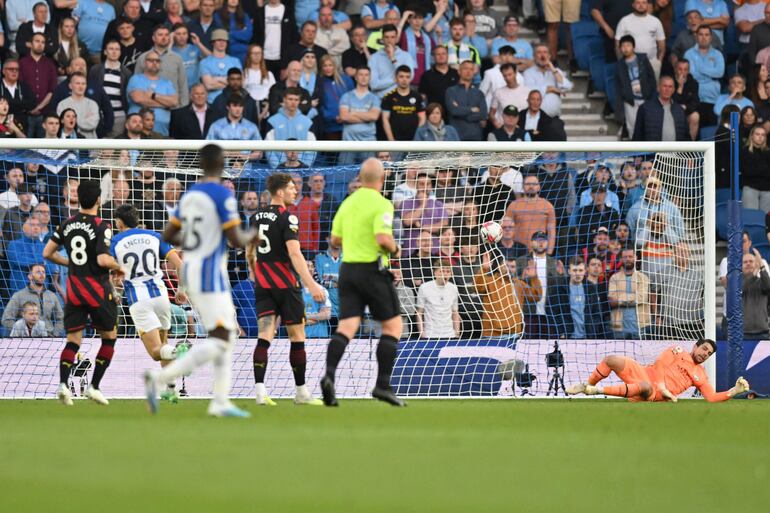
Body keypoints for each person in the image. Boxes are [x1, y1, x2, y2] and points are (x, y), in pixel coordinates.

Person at [144, 144, 259, 418]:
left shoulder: (189, 196)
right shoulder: (222, 194)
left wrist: (196, 240)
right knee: (224, 336)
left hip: (192, 270)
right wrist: (252, 235)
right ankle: (160, 379)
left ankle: (220, 400)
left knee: (224, 334)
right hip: (210, 272)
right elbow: (234, 240)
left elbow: (169, 235)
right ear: (221, 165)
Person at [320, 158, 405, 407]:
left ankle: (329, 376)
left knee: (346, 327)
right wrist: (396, 249)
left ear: (361, 177)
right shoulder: (382, 203)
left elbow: (334, 240)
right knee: (392, 328)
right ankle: (382, 385)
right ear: (382, 179)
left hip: (348, 270)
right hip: (373, 270)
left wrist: (354, 242)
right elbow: (382, 238)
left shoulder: (348, 203)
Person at [243, 172, 325, 406]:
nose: (295, 191)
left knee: (264, 337)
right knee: (297, 337)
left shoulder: (255, 217)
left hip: (264, 285)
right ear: (279, 192)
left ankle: (260, 392)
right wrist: (312, 284)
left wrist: (255, 271)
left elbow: (250, 251)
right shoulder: (288, 218)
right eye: (291, 187)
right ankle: (301, 393)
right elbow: (295, 254)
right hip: (287, 286)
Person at [41, 180, 120, 406]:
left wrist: (70, 263)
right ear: (98, 200)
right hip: (97, 291)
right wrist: (119, 266)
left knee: (73, 341)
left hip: (74, 290)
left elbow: (47, 252)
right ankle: (94, 387)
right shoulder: (101, 225)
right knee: (109, 338)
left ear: (77, 199)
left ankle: (64, 385)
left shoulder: (67, 223)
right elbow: (103, 259)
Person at [111, 204, 186, 402]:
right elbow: (180, 264)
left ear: (119, 222)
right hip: (161, 298)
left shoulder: (115, 241)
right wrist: (181, 289)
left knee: (155, 352)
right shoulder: (155, 236)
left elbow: (108, 270)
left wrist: (113, 289)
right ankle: (171, 389)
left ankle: (182, 352)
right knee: (163, 345)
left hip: (139, 300)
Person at [567, 339, 750, 402]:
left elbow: (711, 397)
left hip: (652, 393)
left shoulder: (700, 374)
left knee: (645, 387)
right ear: (695, 346)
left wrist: (734, 391)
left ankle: (596, 390)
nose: (705, 354)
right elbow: (661, 362)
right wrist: (663, 386)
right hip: (643, 373)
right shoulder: (678, 351)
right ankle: (587, 386)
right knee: (611, 360)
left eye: (709, 354)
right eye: (704, 349)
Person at [473, 251, 541, 338]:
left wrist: (534, 278)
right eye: (506, 266)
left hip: (514, 334)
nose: (508, 269)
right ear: (499, 267)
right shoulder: (490, 281)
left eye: (512, 267)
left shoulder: (519, 284)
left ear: (516, 269)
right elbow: (477, 288)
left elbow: (536, 297)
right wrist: (484, 268)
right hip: (492, 334)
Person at [134, 25, 189, 108]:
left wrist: (183, 105)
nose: (164, 37)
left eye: (166, 35)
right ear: (153, 38)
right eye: (160, 35)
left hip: (174, 107)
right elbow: (136, 84)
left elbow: (183, 83)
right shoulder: (143, 57)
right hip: (150, 107)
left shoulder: (177, 58)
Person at [2, 263, 64, 336]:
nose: (42, 274)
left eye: (43, 272)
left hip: (49, 339)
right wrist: (24, 333)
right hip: (27, 341)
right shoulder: (18, 295)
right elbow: (6, 319)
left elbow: (61, 318)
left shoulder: (52, 296)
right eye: (38, 272)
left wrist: (55, 334)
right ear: (30, 276)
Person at [127, 50, 179, 136]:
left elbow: (174, 102)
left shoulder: (167, 83)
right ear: (145, 63)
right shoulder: (135, 79)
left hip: (162, 134)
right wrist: (165, 104)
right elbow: (138, 99)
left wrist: (153, 95)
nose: (154, 63)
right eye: (151, 60)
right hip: (138, 133)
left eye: (157, 61)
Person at [615, 35, 656, 140]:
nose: (625, 48)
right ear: (620, 49)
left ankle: (647, 153)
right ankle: (635, 154)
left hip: (645, 98)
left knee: (648, 125)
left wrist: (650, 94)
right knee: (632, 127)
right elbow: (619, 85)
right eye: (623, 46)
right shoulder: (620, 65)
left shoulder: (642, 59)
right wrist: (625, 96)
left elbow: (651, 77)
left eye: (628, 45)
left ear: (633, 47)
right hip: (630, 100)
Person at [338, 66, 381, 164]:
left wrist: (353, 113)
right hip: (348, 143)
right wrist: (367, 116)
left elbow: (374, 116)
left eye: (366, 75)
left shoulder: (374, 98)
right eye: (361, 74)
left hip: (368, 143)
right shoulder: (346, 96)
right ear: (356, 77)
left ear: (370, 77)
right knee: (344, 177)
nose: (363, 77)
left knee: (369, 177)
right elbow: (344, 116)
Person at [505, 174, 556, 255]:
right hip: (518, 251)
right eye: (528, 184)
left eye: (534, 184)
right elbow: (506, 228)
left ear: (539, 187)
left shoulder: (548, 206)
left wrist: (549, 252)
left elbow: (551, 232)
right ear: (523, 187)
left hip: (540, 251)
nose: (531, 186)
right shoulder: (513, 205)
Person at [684, 25, 724, 126]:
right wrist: (710, 75)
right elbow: (691, 75)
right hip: (694, 98)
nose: (704, 37)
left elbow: (720, 73)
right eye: (701, 34)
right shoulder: (688, 54)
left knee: (710, 132)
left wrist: (701, 69)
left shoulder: (717, 54)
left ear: (711, 37)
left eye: (707, 35)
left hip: (712, 98)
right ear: (696, 36)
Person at [614, 0, 666, 78]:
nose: (641, 5)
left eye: (644, 2)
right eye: (638, 2)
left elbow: (662, 46)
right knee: (633, 90)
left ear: (648, 5)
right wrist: (622, 63)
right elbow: (617, 45)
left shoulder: (656, 21)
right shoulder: (624, 21)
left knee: (652, 89)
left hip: (652, 63)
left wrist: (659, 63)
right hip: (630, 64)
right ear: (633, 5)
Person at [607, 248, 650, 339]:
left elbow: (642, 298)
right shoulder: (614, 278)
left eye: (630, 256)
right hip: (618, 327)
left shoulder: (643, 278)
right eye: (625, 257)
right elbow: (612, 301)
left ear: (636, 258)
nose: (628, 259)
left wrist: (620, 299)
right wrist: (634, 297)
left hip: (640, 326)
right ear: (621, 259)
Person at [521, 43, 572, 118]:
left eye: (545, 52)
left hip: (554, 118)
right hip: (535, 117)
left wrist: (552, 68)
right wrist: (550, 88)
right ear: (534, 57)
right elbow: (530, 91)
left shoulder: (556, 71)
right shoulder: (528, 73)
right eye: (539, 52)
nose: (542, 55)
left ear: (549, 56)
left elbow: (566, 87)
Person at [632, 76, 688, 142]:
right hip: (652, 151)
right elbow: (637, 136)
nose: (667, 89)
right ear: (658, 88)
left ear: (673, 90)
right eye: (664, 86)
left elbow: (686, 137)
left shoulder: (679, 110)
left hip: (675, 151)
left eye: (670, 87)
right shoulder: (645, 108)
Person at [416, 258, 460, 338]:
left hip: (449, 334)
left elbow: (455, 312)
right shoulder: (424, 287)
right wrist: (422, 333)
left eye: (448, 272)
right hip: (431, 335)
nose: (445, 274)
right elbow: (419, 312)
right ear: (435, 273)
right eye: (442, 271)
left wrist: (457, 333)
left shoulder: (453, 288)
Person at [368, 24, 415, 98]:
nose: (389, 40)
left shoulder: (406, 56)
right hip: (380, 99)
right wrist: (395, 80)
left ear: (396, 39)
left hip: (401, 99)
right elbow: (373, 85)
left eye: (392, 37)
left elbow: (410, 77)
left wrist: (393, 59)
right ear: (382, 39)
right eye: (386, 37)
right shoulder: (374, 58)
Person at [445, 60, 487, 140]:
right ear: (459, 71)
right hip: (456, 137)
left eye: (471, 69)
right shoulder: (451, 91)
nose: (468, 71)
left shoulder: (479, 93)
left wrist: (462, 112)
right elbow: (454, 111)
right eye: (465, 68)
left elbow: (483, 114)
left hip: (476, 137)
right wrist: (472, 109)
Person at [381, 66, 425, 141]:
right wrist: (391, 141)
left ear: (410, 79)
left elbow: (422, 119)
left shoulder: (417, 97)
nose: (404, 80)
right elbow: (385, 119)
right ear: (396, 78)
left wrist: (416, 138)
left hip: (413, 141)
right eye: (401, 76)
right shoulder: (388, 97)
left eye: (407, 77)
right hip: (395, 141)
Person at [198, 29, 242, 103]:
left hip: (233, 102)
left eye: (224, 40)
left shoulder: (235, 61)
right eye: (219, 40)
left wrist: (216, 79)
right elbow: (209, 85)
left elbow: (240, 83)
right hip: (213, 102)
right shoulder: (205, 62)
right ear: (213, 42)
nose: (222, 43)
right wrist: (230, 82)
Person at [489, 63, 530, 128]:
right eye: (505, 76)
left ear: (515, 73)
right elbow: (491, 113)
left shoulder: (527, 91)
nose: (508, 78)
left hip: (523, 129)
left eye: (510, 74)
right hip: (504, 129)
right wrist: (497, 126)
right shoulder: (498, 92)